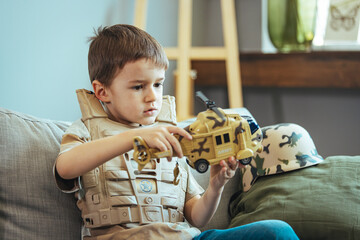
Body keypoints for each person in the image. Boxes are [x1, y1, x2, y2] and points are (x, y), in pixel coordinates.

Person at [54, 24, 299, 240]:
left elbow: (197, 217)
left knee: (276, 232)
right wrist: (135, 138)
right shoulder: (87, 131)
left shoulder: (171, 136)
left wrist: (215, 187)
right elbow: (65, 167)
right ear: (102, 92)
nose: (152, 96)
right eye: (138, 86)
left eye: (158, 84)